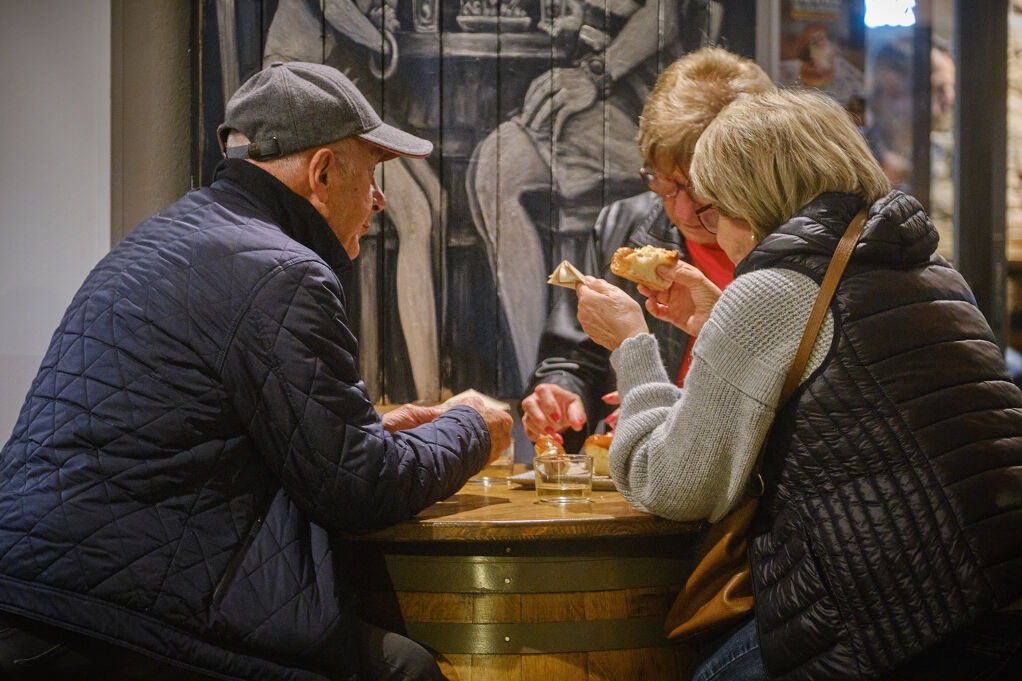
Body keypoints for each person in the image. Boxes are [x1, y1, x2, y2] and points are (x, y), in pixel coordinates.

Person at [0, 62, 512, 681]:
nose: (379, 200)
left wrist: (368, 425)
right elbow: (361, 488)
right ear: (322, 172)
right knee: (406, 670)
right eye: (373, 174)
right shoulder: (282, 271)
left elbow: (204, 427)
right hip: (103, 621)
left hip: (39, 592)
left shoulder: (165, 238)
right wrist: (473, 426)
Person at [574, 88, 1022, 680]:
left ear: (752, 201)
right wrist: (717, 317)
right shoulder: (925, 268)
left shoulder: (774, 288)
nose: (711, 230)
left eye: (713, 209)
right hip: (989, 595)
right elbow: (841, 393)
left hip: (891, 626)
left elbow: (673, 485)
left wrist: (632, 347)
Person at [520, 47, 775, 450]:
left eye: (698, 186)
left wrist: (668, 410)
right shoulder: (624, 229)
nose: (683, 209)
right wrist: (558, 392)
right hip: (642, 474)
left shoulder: (788, 249)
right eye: (663, 182)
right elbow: (575, 355)